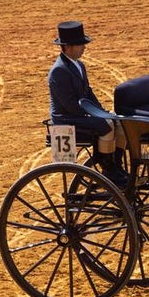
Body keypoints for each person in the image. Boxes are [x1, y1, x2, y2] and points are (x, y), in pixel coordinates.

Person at [48, 20, 129, 187]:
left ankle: (116, 165)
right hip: (66, 118)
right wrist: (97, 116)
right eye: (80, 44)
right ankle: (108, 169)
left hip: (79, 114)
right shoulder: (59, 71)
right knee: (105, 125)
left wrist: (101, 111)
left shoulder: (79, 65)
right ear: (67, 47)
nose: (84, 47)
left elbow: (88, 93)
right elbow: (70, 105)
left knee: (119, 122)